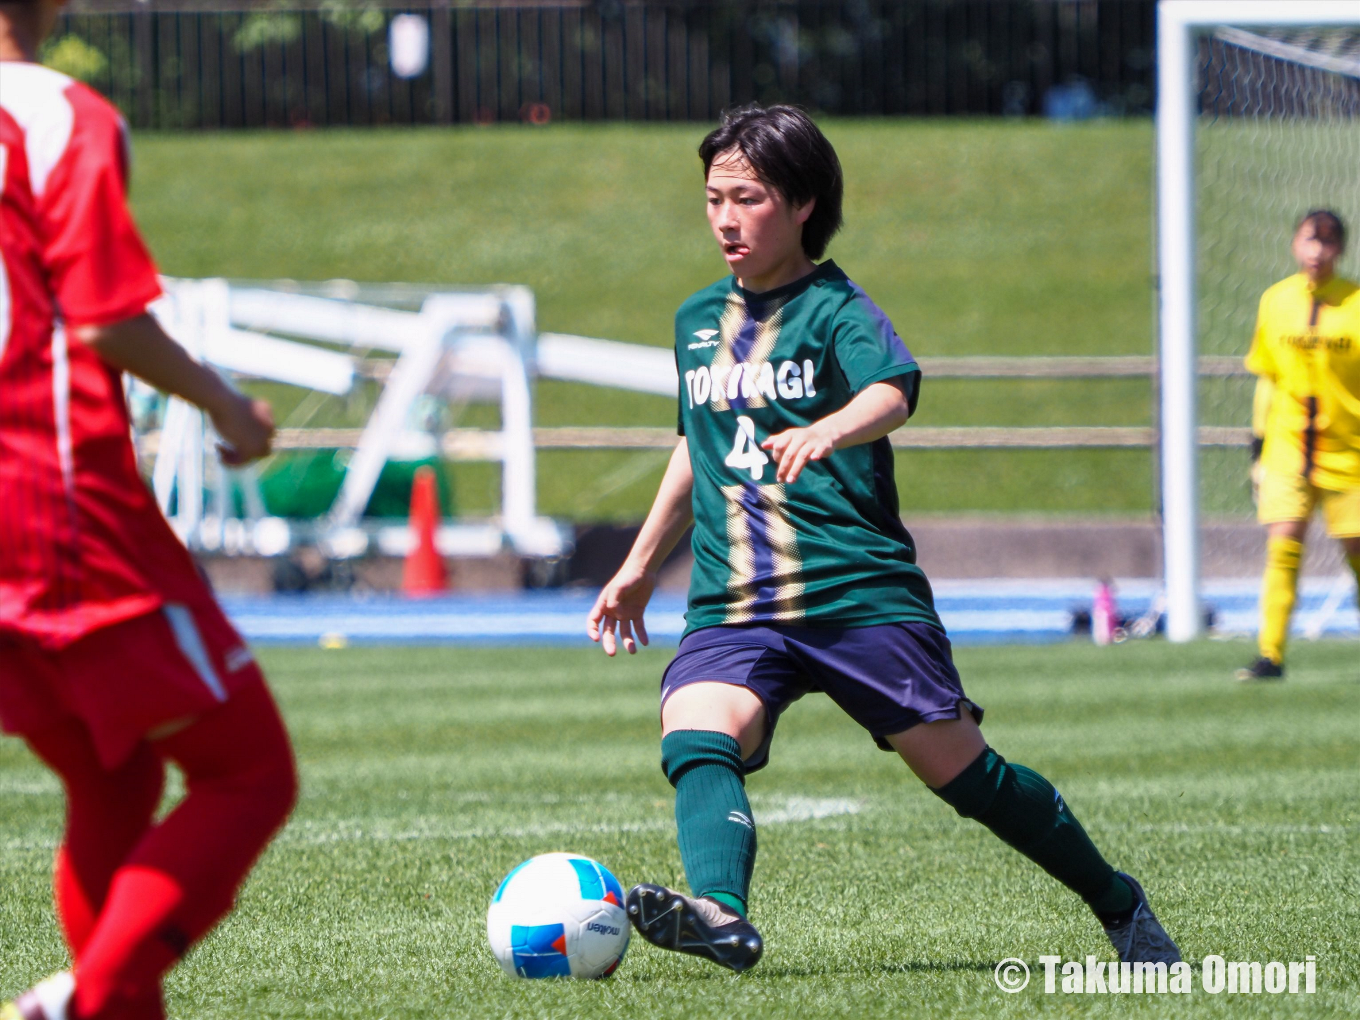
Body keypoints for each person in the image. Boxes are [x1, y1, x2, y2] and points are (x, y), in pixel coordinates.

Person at [586, 104, 1180, 973]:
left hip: (854, 590)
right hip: (737, 597)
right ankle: (720, 913)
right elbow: (693, 446)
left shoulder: (836, 310)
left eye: (746, 197)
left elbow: (895, 392)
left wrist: (830, 429)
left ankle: (1119, 904)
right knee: (696, 728)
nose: (724, 218)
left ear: (800, 204)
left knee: (965, 777)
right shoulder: (695, 322)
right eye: (713, 197)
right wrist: (638, 568)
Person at [0, 3, 297, 1017]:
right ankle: (83, 1002)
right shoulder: (57, 118)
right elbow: (104, 319)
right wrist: (224, 402)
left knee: (111, 778)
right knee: (249, 774)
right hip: (53, 504)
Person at [1236, 211, 1360, 682]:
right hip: (1288, 448)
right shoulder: (1276, 301)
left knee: (1357, 552)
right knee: (1283, 545)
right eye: (1311, 239)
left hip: (1350, 449)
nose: (1318, 251)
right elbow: (1268, 379)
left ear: (1341, 250)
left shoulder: (1356, 303)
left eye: (1328, 242)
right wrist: (1258, 450)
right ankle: (1271, 654)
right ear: (1294, 244)